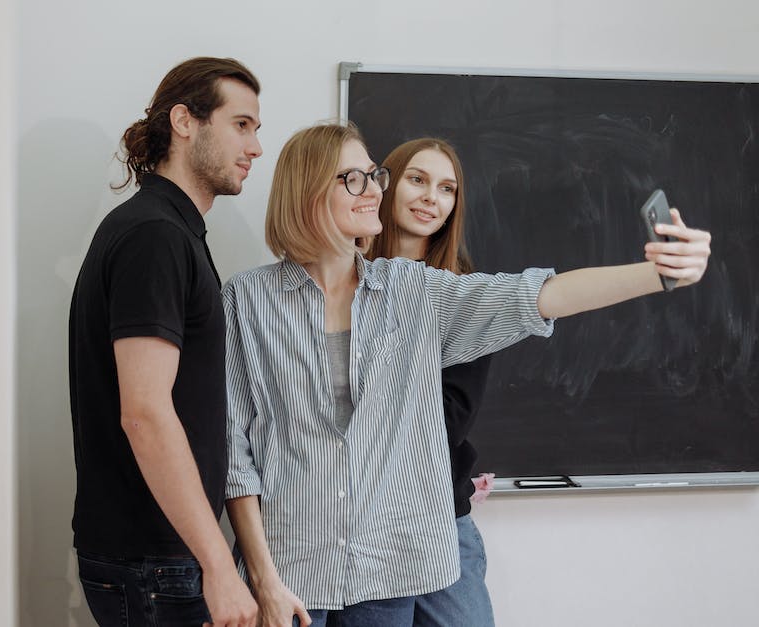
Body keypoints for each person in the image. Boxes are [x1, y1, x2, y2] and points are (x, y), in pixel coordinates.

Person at [222, 123, 711, 627]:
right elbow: (236, 452)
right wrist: (262, 578)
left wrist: (657, 275)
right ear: (306, 189)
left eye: (374, 176)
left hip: (386, 574)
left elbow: (533, 296)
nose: (373, 191)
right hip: (288, 570)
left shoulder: (412, 290)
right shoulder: (247, 300)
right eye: (353, 179)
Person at [68, 56, 263, 627]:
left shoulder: (168, 231)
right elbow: (146, 414)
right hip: (155, 562)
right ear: (185, 121)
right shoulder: (155, 236)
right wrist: (218, 567)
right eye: (242, 124)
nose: (255, 148)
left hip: (160, 559)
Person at [364, 137, 496, 626]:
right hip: (353, 523)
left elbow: (447, 420)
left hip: (439, 515)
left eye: (447, 189)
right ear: (387, 182)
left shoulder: (464, 296)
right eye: (417, 179)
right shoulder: (342, 279)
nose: (430, 198)